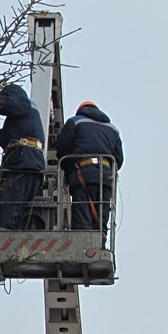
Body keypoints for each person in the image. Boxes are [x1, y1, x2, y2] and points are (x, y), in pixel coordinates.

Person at [0, 84, 46, 230]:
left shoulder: (24, 103)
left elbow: (8, 105)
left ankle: (3, 235)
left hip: (22, 163)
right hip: (29, 163)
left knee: (8, 210)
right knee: (13, 211)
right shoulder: (22, 122)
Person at [56, 100, 123, 238]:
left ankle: (84, 245)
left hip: (83, 173)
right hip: (106, 177)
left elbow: (62, 149)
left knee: (82, 219)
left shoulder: (75, 122)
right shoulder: (113, 129)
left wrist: (69, 172)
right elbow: (119, 159)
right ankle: (99, 245)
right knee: (101, 221)